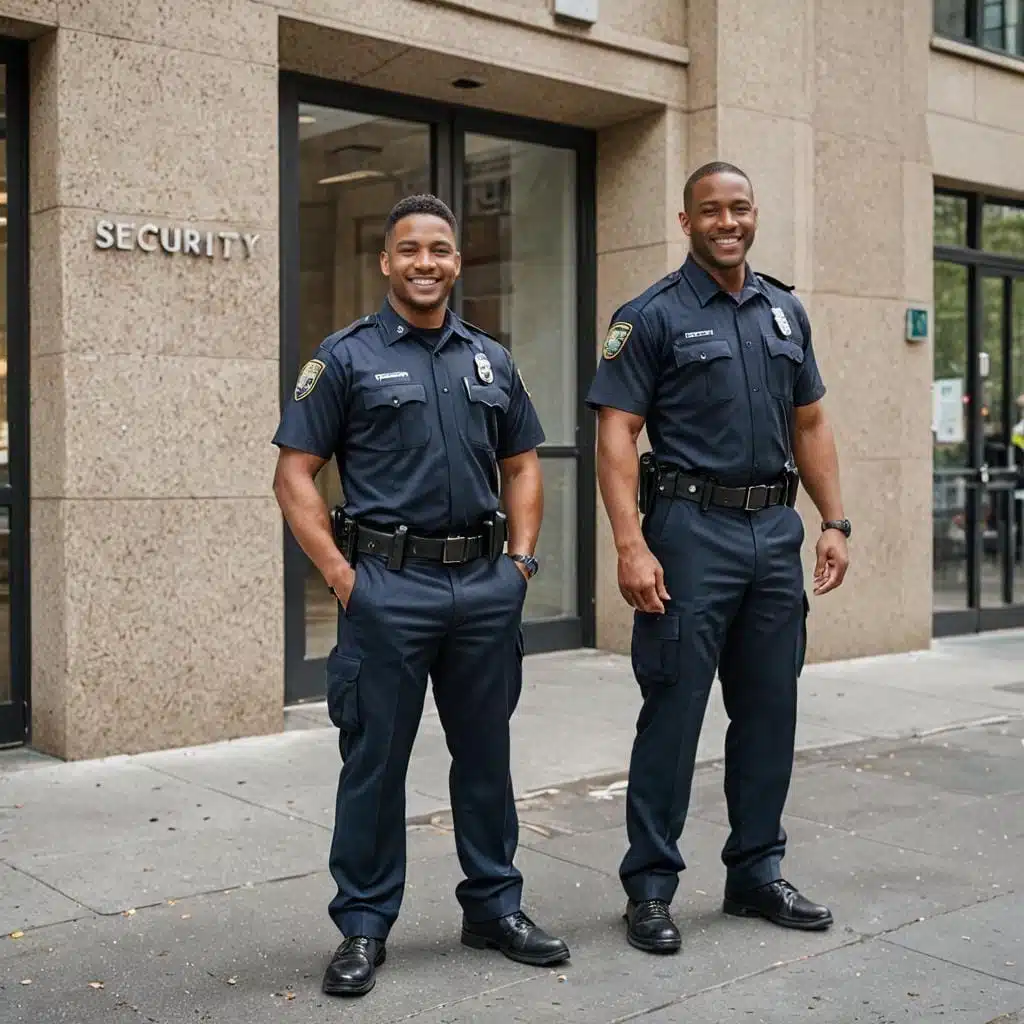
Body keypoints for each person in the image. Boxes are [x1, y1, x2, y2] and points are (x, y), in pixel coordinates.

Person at [271, 194, 570, 997]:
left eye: (439, 249)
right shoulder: (345, 358)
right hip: (388, 589)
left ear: (457, 262)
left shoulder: (490, 360)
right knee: (375, 763)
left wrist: (520, 565)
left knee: (486, 756)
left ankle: (495, 908)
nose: (425, 263)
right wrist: (342, 577)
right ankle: (363, 926)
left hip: (482, 587)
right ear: (386, 262)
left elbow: (523, 464)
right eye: (409, 250)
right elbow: (294, 474)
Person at [586, 161, 850, 955]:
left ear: (755, 213)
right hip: (689, 534)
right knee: (673, 713)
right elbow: (616, 433)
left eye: (739, 208)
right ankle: (650, 888)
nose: (726, 222)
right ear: (686, 221)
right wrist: (630, 543)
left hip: (774, 533)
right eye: (710, 210)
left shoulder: (784, 312)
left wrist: (834, 521)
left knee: (769, 710)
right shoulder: (650, 317)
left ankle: (756, 874)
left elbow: (811, 423)